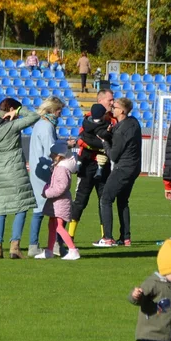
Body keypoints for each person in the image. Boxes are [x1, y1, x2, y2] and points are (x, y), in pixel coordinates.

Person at [0, 97, 42, 259]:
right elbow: (34, 116)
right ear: (11, 109)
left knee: (0, 209)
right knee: (21, 207)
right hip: (14, 168)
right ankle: (14, 246)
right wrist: (18, 111)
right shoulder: (11, 125)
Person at [95, 97, 142, 247]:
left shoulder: (122, 130)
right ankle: (125, 237)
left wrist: (104, 142)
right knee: (122, 201)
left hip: (123, 168)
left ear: (121, 110)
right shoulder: (133, 123)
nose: (112, 109)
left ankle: (108, 238)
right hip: (134, 167)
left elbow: (114, 155)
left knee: (106, 199)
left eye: (114, 107)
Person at [69, 89, 116, 238]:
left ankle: (106, 236)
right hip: (88, 164)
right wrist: (100, 147)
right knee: (80, 200)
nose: (112, 103)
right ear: (100, 101)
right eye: (110, 100)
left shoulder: (113, 120)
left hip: (104, 164)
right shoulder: (88, 119)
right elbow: (81, 140)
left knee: (105, 199)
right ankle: (69, 235)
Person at [27, 96, 65, 257]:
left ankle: (40, 243)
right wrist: (66, 147)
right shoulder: (47, 126)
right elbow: (51, 149)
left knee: (42, 208)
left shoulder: (40, 124)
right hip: (46, 172)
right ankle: (49, 244)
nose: (60, 116)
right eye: (58, 112)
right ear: (52, 111)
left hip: (38, 169)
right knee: (53, 208)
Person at [35, 141, 80, 260]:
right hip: (55, 202)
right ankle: (49, 251)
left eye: (53, 154)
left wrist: (47, 193)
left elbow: (61, 187)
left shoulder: (61, 168)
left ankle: (73, 250)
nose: (51, 156)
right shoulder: (58, 167)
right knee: (52, 225)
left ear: (59, 156)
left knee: (59, 226)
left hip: (60, 202)